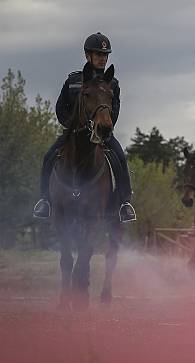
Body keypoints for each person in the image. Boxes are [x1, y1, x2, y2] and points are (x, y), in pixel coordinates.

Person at [33, 32, 136, 222]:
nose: (102, 59)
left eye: (105, 55)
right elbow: (60, 107)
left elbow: (115, 110)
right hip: (74, 134)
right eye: (98, 55)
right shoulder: (73, 81)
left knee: (120, 158)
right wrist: (71, 126)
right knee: (49, 156)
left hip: (102, 134)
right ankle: (45, 201)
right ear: (88, 56)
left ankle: (124, 203)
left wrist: (102, 126)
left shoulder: (112, 83)